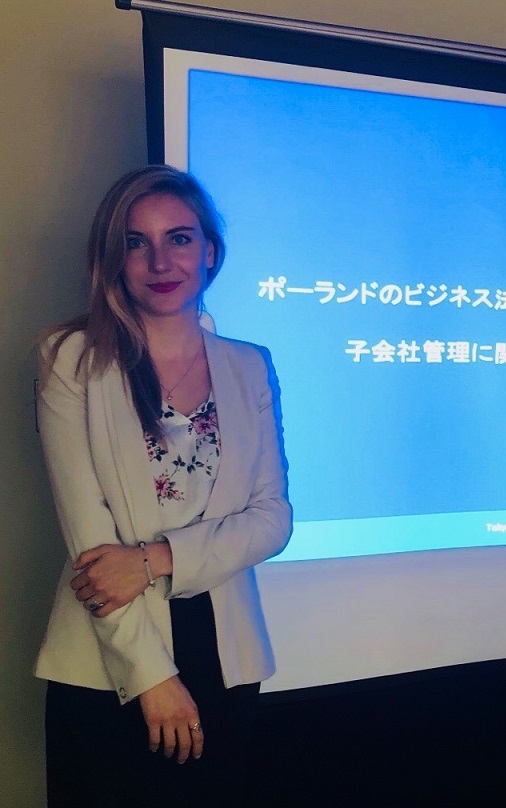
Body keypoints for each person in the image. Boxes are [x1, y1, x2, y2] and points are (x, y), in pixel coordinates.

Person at [35, 165, 292, 806]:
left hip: (226, 656)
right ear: (113, 259)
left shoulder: (249, 365)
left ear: (209, 251)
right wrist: (152, 679)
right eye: (136, 242)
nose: (160, 261)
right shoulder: (70, 359)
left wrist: (153, 559)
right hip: (108, 664)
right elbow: (92, 549)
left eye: (179, 238)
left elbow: (272, 519)